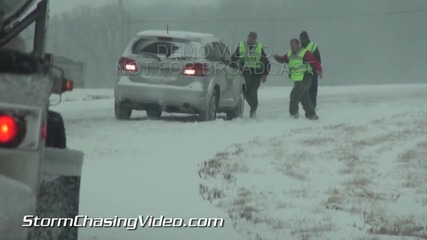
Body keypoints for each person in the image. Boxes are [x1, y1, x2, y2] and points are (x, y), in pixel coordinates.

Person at [273, 38, 323, 120]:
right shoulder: (290, 54)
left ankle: (294, 115)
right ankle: (312, 115)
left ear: (298, 45)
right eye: (291, 45)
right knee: (304, 98)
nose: (292, 47)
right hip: (297, 80)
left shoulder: (305, 53)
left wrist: (319, 70)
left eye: (293, 45)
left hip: (305, 78)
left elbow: (314, 62)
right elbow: (284, 59)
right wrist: (277, 57)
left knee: (294, 95)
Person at [231, 31, 270, 118]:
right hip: (245, 73)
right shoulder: (241, 46)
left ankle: (253, 109)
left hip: (256, 74)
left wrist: (265, 74)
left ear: (256, 39)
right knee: (247, 93)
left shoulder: (259, 47)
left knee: (253, 91)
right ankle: (253, 106)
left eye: (254, 38)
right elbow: (233, 59)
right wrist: (236, 66)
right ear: (247, 37)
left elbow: (266, 62)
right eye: (251, 38)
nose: (252, 40)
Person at [300, 31, 322, 109]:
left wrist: (318, 69)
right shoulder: (300, 48)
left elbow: (318, 60)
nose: (303, 40)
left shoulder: (313, 46)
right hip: (304, 73)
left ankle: (312, 106)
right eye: (302, 39)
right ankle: (309, 106)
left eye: (304, 38)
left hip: (312, 72)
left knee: (312, 90)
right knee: (307, 90)